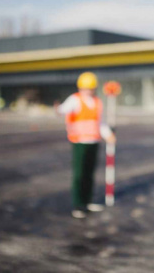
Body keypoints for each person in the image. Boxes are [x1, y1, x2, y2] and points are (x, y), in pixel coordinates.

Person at [55, 72, 116, 219]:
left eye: (91, 88)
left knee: (89, 173)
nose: (88, 90)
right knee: (79, 174)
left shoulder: (97, 102)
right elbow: (62, 110)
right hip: (79, 142)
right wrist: (57, 109)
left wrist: (108, 135)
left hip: (93, 142)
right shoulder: (74, 100)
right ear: (80, 88)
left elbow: (100, 123)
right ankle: (78, 204)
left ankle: (87, 201)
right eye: (85, 88)